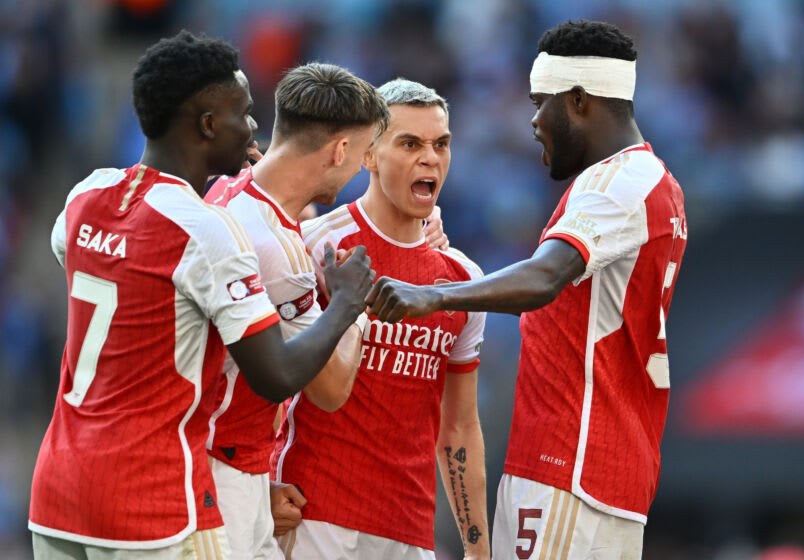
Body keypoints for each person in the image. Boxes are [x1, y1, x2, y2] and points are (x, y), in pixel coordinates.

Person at [29, 31, 373, 559]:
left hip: (59, 493)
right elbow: (275, 374)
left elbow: (81, 263)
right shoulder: (206, 232)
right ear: (209, 125)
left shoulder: (86, 194)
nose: (255, 128)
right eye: (244, 113)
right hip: (152, 503)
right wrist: (346, 303)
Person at [366, 20, 688, 559]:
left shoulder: (617, 182)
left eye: (543, 102)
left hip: (570, 465)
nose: (534, 121)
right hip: (600, 466)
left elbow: (545, 276)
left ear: (580, 101)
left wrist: (436, 295)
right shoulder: (658, 183)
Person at [271, 79, 490, 560]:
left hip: (410, 531)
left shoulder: (462, 279)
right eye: (410, 144)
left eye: (441, 144)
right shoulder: (315, 245)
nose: (430, 158)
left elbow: (458, 428)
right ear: (368, 155)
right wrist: (261, 483)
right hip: (315, 517)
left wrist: (477, 551)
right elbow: (258, 375)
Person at [202, 62, 390, 559]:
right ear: (341, 149)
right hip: (227, 472)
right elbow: (330, 390)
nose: (358, 172)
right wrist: (351, 307)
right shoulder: (276, 250)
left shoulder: (225, 189)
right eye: (363, 154)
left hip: (220, 465)